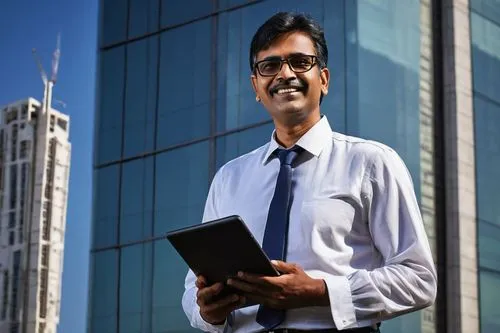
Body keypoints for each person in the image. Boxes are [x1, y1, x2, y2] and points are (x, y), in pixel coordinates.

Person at [182, 11, 437, 333]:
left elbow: (418, 280)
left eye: (300, 62)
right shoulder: (229, 178)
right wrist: (207, 310)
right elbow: (193, 289)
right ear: (256, 87)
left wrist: (320, 292)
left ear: (324, 79)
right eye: (269, 66)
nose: (284, 74)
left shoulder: (371, 162)